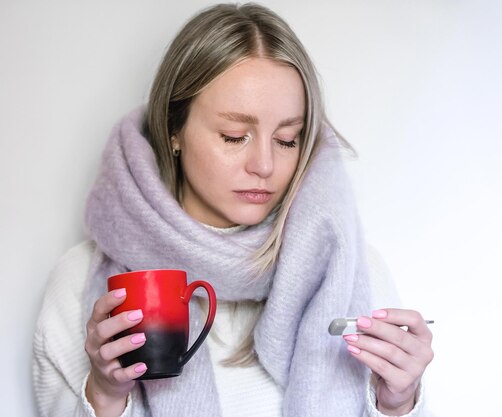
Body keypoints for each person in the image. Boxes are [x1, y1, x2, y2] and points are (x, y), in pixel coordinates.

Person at [32, 3, 434, 417]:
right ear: (174, 129)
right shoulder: (82, 282)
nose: (263, 165)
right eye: (234, 136)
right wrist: (105, 395)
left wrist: (398, 403)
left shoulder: (350, 270)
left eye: (287, 139)